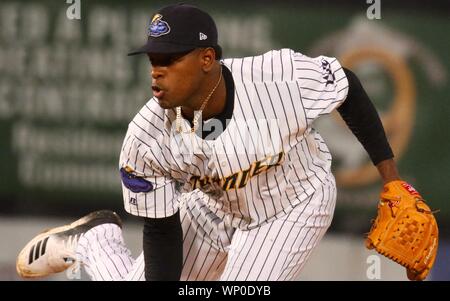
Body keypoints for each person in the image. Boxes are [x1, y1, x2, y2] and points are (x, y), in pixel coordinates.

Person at [17, 3, 407, 281]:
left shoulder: (277, 77)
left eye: (169, 60)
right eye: (153, 60)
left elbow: (347, 87)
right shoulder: (146, 139)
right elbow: (161, 230)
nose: (157, 72)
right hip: (213, 206)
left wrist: (390, 179)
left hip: (295, 200)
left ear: (206, 59)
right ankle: (95, 241)